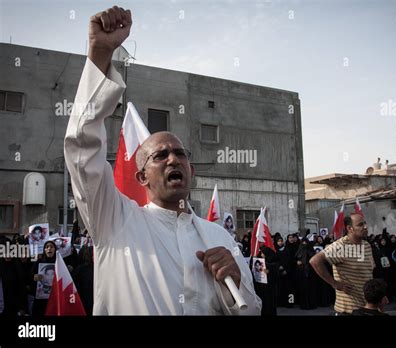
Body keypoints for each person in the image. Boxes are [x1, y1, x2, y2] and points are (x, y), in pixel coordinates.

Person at [64, 6, 260, 315]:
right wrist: (100, 55)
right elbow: (81, 147)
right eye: (160, 155)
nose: (173, 159)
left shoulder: (218, 236)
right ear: (141, 178)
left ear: (190, 170)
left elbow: (251, 311)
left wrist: (233, 280)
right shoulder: (115, 221)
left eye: (180, 153)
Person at [310, 213, 375, 315]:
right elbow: (315, 261)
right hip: (348, 311)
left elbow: (368, 273)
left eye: (365, 223)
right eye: (360, 225)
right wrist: (335, 283)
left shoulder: (366, 245)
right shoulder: (341, 246)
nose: (365, 227)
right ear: (350, 228)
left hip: (367, 308)